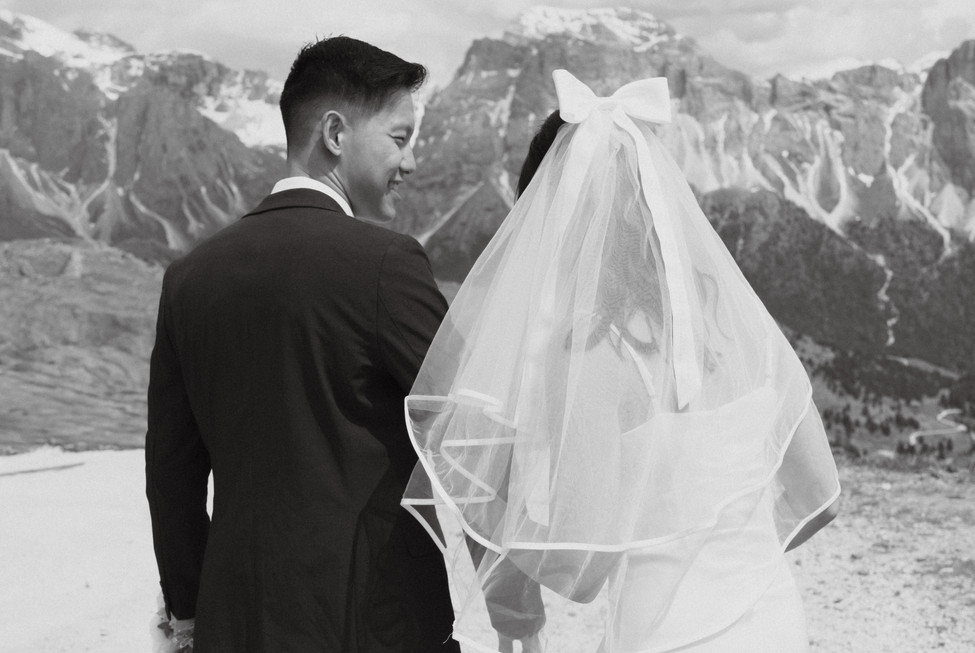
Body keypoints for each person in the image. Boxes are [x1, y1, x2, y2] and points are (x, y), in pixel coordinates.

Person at [401, 70, 841, 652]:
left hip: (664, 638)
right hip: (776, 623)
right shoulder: (736, 324)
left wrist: (483, 498)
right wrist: (725, 559)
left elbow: (581, 564)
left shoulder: (595, 354)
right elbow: (821, 496)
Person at [145, 36, 459, 652]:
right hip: (375, 625)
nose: (412, 163)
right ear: (336, 135)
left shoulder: (188, 278)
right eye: (400, 139)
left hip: (235, 629)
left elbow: (171, 478)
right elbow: (471, 428)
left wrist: (188, 614)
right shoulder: (386, 265)